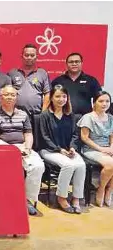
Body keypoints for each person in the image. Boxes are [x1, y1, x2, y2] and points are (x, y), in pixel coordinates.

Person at [0, 84, 45, 215]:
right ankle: (5, 199)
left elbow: (28, 134)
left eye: (12, 95)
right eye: (6, 95)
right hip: (4, 149)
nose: (9, 97)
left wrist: (27, 148)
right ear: (0, 97)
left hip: (23, 146)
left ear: (16, 98)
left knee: (38, 166)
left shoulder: (23, 114)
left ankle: (27, 200)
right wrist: (10, 152)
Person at [39, 85, 86, 214]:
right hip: (49, 150)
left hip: (67, 150)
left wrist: (72, 148)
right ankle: (61, 197)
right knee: (68, 165)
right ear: (52, 98)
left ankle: (76, 199)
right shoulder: (45, 116)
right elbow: (45, 137)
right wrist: (60, 150)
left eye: (64, 96)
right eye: (58, 96)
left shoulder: (70, 115)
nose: (61, 99)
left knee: (81, 165)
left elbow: (75, 135)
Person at [78, 91, 113, 207]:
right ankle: (101, 189)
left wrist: (111, 147)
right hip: (91, 149)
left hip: (108, 148)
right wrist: (101, 149)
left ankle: (109, 190)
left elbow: (112, 136)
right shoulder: (88, 117)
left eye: (107, 101)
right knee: (111, 164)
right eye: (101, 101)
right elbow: (84, 138)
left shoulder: (111, 118)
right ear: (94, 102)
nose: (104, 104)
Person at [8, 44, 51, 116]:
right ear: (22, 56)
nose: (29, 57)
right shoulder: (12, 73)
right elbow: (7, 94)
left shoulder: (42, 73)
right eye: (26, 55)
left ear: (36, 57)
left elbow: (47, 94)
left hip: (36, 115)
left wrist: (43, 113)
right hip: (16, 116)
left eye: (32, 55)